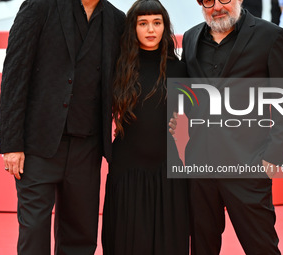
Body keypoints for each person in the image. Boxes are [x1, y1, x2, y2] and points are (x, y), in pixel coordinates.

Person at [0, 0, 125, 254]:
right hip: (37, 144)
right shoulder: (39, 6)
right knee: (34, 229)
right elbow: (14, 72)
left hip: (87, 146)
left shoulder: (116, 19)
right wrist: (11, 143)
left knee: (81, 232)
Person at [181, 0, 283, 254]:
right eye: (209, 1)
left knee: (261, 245)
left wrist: (274, 155)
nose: (217, 6)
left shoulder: (270, 36)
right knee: (202, 246)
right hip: (200, 166)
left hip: (247, 165)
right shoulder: (190, 38)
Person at [101, 1, 189, 254]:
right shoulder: (118, 68)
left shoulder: (179, 68)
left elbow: (196, 114)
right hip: (126, 170)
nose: (151, 29)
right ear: (133, 28)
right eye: (143, 23)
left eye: (157, 22)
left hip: (168, 171)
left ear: (165, 27)